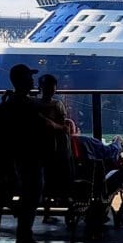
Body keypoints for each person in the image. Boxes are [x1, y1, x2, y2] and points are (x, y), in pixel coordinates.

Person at [0, 64, 61, 243]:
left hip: (5, 162)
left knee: (21, 198)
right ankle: (24, 239)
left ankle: (15, 238)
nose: (33, 81)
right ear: (23, 81)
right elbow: (45, 123)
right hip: (26, 160)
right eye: (30, 78)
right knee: (31, 197)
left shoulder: (9, 105)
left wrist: (4, 103)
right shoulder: (28, 104)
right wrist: (62, 128)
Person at [37, 74, 72, 220]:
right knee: (62, 174)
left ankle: (47, 211)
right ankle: (66, 201)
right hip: (56, 148)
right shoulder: (57, 105)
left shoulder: (34, 104)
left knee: (45, 178)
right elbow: (63, 126)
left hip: (39, 147)